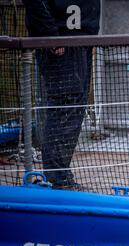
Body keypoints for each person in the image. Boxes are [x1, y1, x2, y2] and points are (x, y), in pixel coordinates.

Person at [22, 0, 100, 189]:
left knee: (75, 109)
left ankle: (60, 176)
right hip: (60, 44)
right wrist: (50, 35)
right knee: (65, 107)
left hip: (81, 42)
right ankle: (57, 179)